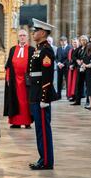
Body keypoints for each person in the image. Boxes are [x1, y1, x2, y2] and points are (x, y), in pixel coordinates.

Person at [28, 19, 57, 170]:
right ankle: (42, 158)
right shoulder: (39, 49)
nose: (33, 33)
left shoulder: (46, 50)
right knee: (39, 128)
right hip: (35, 93)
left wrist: (44, 98)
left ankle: (46, 161)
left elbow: (47, 76)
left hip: (41, 95)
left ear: (43, 33)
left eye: (35, 31)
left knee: (44, 129)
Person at [4, 29, 35, 129]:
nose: (22, 37)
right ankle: (15, 122)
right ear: (18, 37)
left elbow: (34, 66)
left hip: (26, 80)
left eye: (24, 35)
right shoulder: (13, 49)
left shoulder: (32, 50)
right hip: (14, 80)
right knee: (14, 99)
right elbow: (8, 65)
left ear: (27, 37)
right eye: (20, 35)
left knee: (26, 101)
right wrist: (8, 78)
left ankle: (27, 122)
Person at [71, 35, 88, 106]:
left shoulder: (88, 48)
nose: (83, 41)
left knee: (87, 85)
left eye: (84, 40)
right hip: (79, 68)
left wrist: (83, 61)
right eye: (81, 40)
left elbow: (89, 56)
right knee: (78, 84)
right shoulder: (79, 48)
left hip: (86, 68)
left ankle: (88, 101)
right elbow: (73, 56)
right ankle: (77, 101)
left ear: (86, 41)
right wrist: (77, 60)